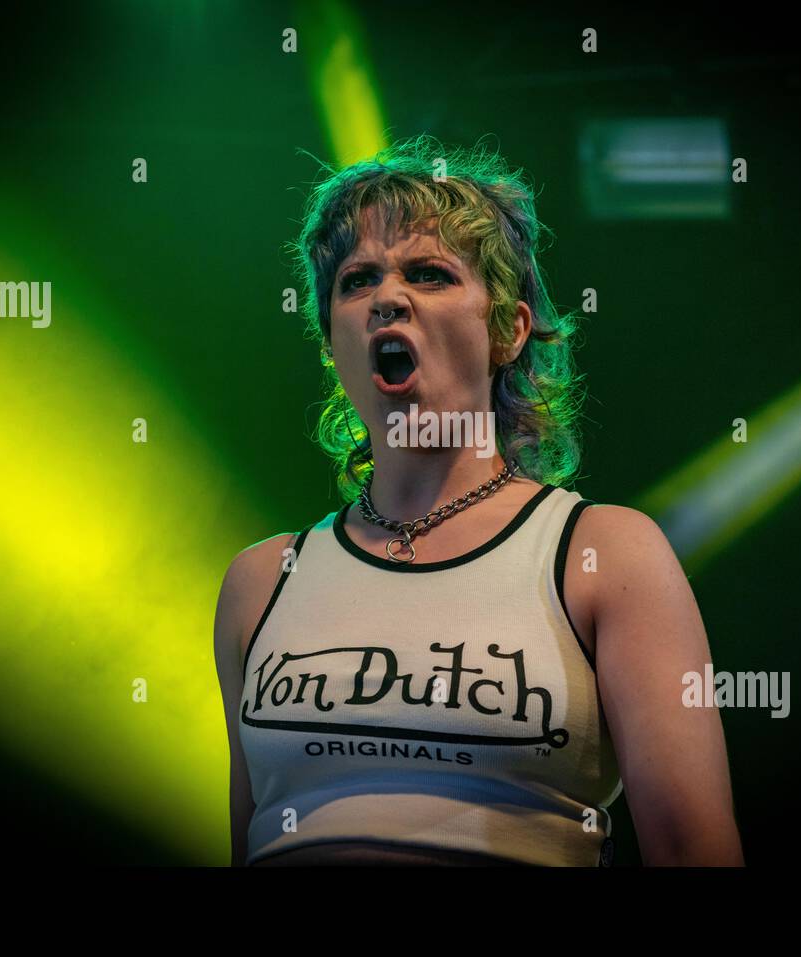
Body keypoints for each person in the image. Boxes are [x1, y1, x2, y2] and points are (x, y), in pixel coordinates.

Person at [214, 134, 744, 866]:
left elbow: (694, 848)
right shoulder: (260, 582)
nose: (387, 297)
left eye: (429, 273)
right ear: (330, 339)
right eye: (356, 279)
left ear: (508, 329)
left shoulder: (601, 554)